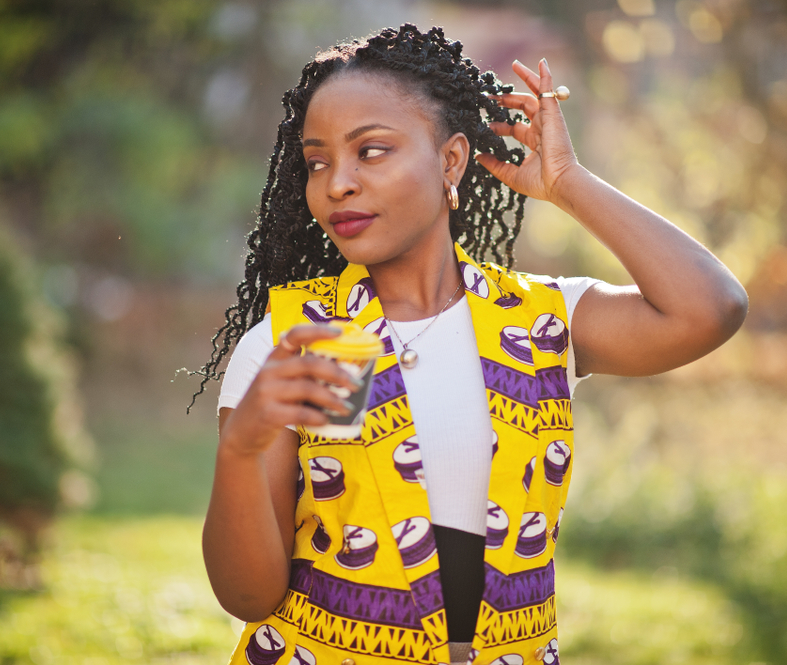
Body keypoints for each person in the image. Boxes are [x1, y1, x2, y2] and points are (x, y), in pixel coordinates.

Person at [196, 24, 747, 665]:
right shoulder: (294, 342)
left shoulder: (540, 322)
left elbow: (711, 309)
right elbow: (249, 597)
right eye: (318, 162)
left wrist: (566, 180)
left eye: (370, 151)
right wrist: (240, 450)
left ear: (451, 160)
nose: (336, 184)